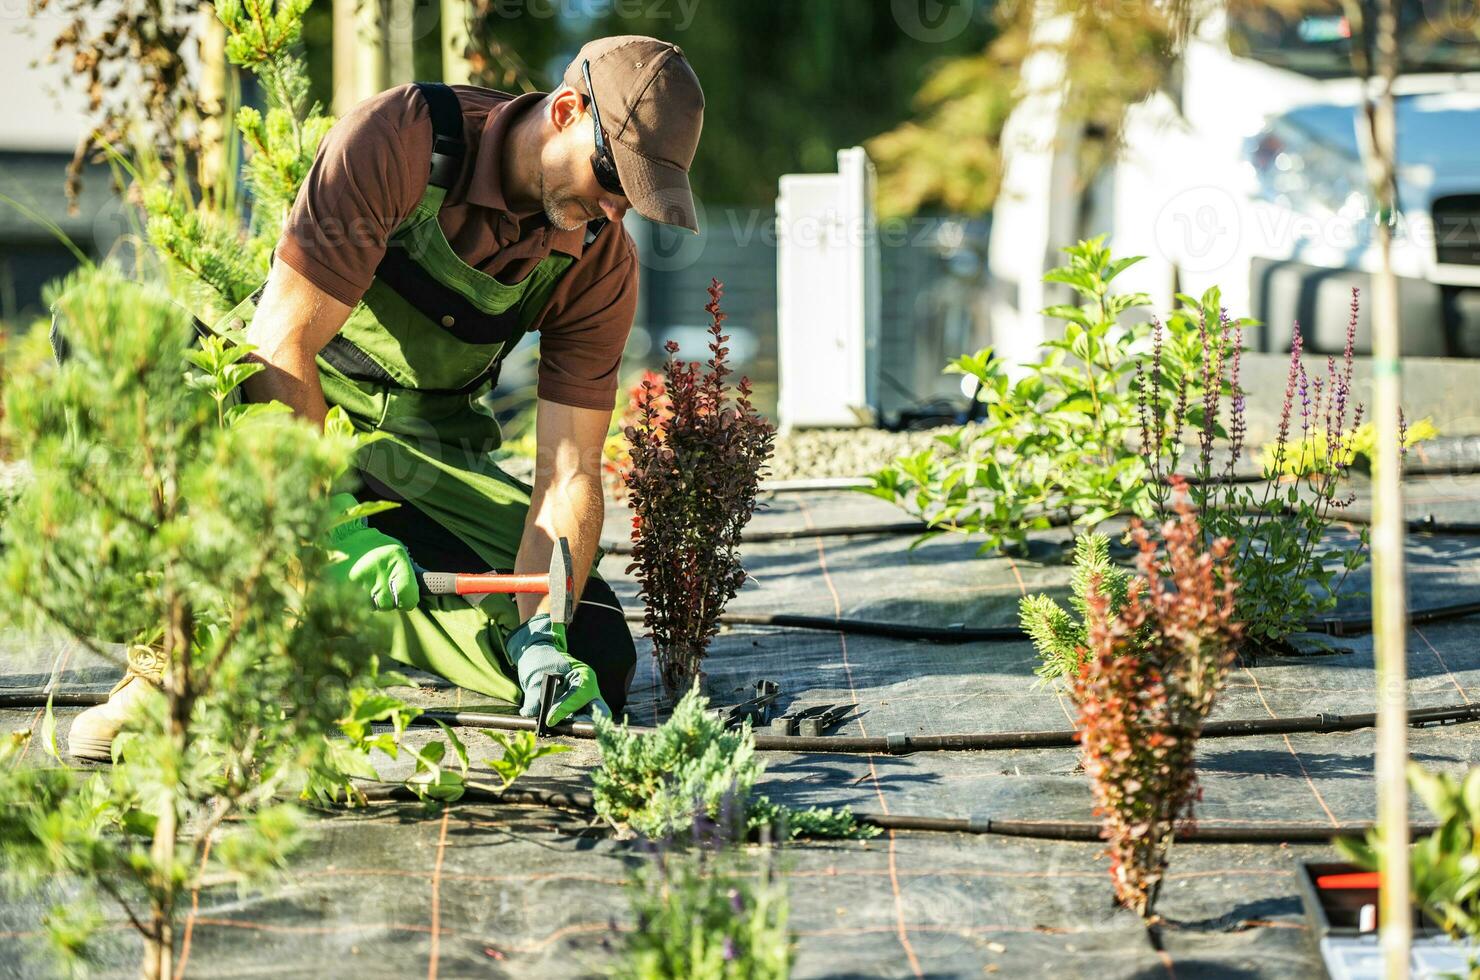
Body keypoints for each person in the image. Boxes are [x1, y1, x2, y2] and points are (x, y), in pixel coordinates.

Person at [67, 35, 704, 762]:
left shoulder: (597, 261)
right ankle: (177, 662)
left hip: (424, 461)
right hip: (281, 418)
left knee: (596, 647)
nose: (614, 211)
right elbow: (283, 345)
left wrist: (543, 627)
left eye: (634, 198)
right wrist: (334, 526)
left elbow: (569, 472)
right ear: (565, 109)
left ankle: (301, 618)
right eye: (609, 176)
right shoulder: (401, 140)